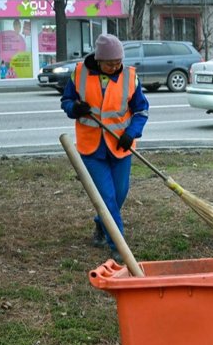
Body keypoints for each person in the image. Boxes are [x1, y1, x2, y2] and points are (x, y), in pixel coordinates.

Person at [61, 34, 149, 262]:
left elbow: (141, 111)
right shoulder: (79, 73)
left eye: (119, 61)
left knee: (119, 195)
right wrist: (75, 108)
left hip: (120, 147)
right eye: (110, 62)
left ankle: (102, 225)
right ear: (99, 60)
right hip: (91, 148)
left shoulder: (130, 77)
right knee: (107, 197)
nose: (116, 66)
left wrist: (131, 133)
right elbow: (66, 101)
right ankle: (118, 246)